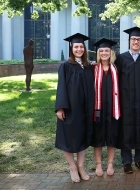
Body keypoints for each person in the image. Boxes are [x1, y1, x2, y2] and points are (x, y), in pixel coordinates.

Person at [55, 33, 94, 183]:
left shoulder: (87, 66)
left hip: (85, 109)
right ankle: (72, 167)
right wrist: (60, 108)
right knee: (68, 137)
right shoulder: (65, 66)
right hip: (70, 108)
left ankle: (81, 167)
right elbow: (61, 88)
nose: (79, 49)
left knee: (81, 137)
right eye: (76, 46)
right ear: (71, 48)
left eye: (81, 46)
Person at [115, 26, 140, 174]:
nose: (136, 41)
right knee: (125, 129)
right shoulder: (121, 58)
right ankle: (126, 162)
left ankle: (139, 160)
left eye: (138, 39)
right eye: (133, 39)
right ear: (129, 40)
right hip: (125, 101)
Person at [90, 38, 121, 177]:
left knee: (112, 137)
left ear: (111, 52)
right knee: (98, 138)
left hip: (113, 110)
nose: (104, 53)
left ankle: (110, 164)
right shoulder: (93, 68)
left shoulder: (116, 69)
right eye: (101, 51)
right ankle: (98, 165)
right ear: (98, 53)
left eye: (106, 50)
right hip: (98, 110)